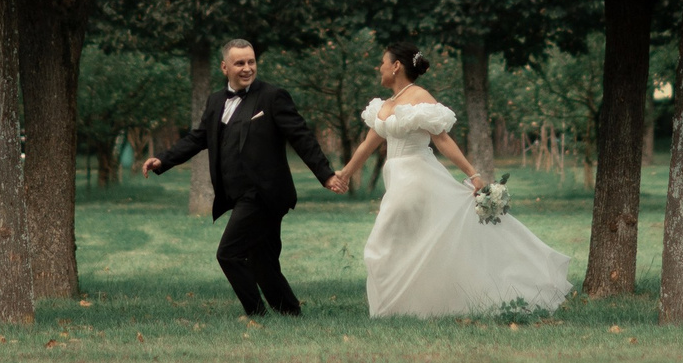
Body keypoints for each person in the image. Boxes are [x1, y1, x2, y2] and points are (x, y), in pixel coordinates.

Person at [330, 39, 572, 318]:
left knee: (380, 244)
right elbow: (369, 143)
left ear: (396, 66)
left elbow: (442, 140)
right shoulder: (386, 104)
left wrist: (474, 174)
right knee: (411, 243)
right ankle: (411, 307)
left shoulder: (420, 97)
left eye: (382, 63)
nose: (379, 68)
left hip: (417, 176)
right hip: (396, 178)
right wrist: (345, 173)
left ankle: (390, 309)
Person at [139, 38, 340, 316]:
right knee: (262, 260)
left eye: (251, 62)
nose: (247, 68)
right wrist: (163, 160)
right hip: (238, 194)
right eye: (240, 63)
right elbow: (199, 138)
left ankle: (256, 313)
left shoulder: (272, 97)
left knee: (229, 253)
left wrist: (326, 174)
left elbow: (301, 137)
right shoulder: (215, 101)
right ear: (224, 67)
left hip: (265, 194)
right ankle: (290, 313)